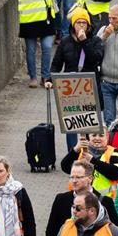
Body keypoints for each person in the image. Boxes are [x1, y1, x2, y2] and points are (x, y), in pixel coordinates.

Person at [46, 8, 105, 148]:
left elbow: (96, 59)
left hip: (90, 88)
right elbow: (56, 64)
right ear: (73, 25)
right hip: (70, 90)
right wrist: (49, 79)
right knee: (72, 125)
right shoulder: (65, 42)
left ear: (89, 25)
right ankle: (73, 155)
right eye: (78, 22)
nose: (81, 26)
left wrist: (84, 41)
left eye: (84, 23)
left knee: (90, 125)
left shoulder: (95, 41)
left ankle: (89, 155)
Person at [16, 0, 65, 87]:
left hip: (47, 19)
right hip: (30, 21)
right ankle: (33, 77)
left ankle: (45, 77)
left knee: (47, 47)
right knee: (31, 50)